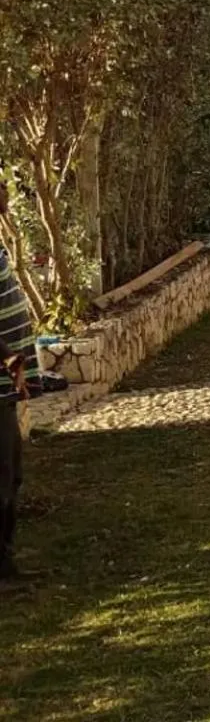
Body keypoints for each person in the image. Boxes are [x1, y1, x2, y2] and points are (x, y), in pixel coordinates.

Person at [0, 182, 40, 584]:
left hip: (7, 386)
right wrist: (8, 357)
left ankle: (6, 560)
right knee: (4, 475)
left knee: (11, 474)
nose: (6, 192)